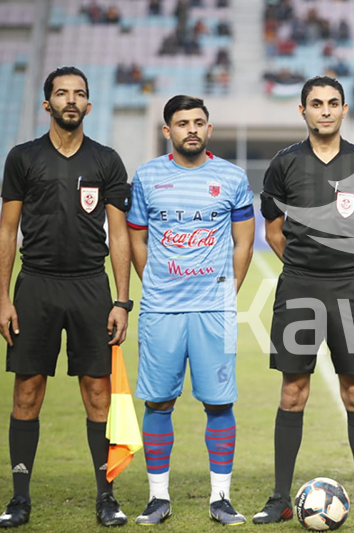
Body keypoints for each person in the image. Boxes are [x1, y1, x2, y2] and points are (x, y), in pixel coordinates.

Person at [0, 66, 131, 528]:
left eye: (78, 94)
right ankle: (19, 499)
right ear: (46, 103)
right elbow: (7, 231)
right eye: (61, 93)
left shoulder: (107, 160)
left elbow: (119, 233)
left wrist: (121, 300)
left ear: (89, 105)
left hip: (91, 286)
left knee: (98, 394)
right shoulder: (22, 157)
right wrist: (3, 299)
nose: (69, 100)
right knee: (27, 392)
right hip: (35, 286)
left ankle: (106, 497)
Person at [253, 75, 354, 525]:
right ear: (303, 111)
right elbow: (272, 229)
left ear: (344, 109)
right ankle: (278, 499)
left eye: (333, 103)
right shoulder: (285, 163)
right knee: (293, 392)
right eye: (317, 104)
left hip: (348, 290)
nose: (325, 110)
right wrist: (299, 268)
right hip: (298, 288)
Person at [127, 95, 255, 526]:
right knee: (159, 401)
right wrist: (156, 284)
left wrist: (226, 292)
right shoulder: (146, 177)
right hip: (161, 310)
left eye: (199, 122)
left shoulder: (233, 178)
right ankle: (157, 498)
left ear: (209, 129)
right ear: (168, 131)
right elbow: (136, 240)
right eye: (183, 123)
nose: (192, 129)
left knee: (219, 403)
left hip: (212, 312)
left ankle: (221, 499)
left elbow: (244, 243)